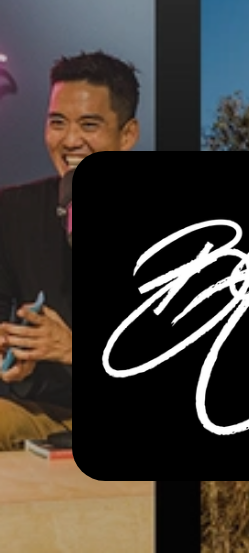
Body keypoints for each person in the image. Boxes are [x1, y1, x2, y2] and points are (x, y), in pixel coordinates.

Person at [0, 51, 140, 449]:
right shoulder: (12, 210)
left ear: (127, 135)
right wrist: (14, 356)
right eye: (57, 122)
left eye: (89, 125)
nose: (70, 140)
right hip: (42, 411)